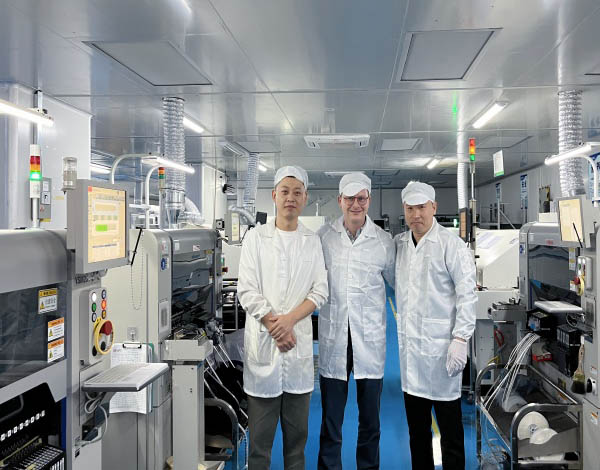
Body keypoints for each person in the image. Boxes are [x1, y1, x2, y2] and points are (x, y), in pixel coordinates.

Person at [237, 165, 328, 470]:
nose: (291, 198)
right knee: (259, 449)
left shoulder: (311, 240)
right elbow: (246, 290)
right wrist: (275, 326)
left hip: (297, 355)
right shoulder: (255, 238)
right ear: (274, 195)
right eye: (285, 192)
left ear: (305, 198)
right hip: (263, 354)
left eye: (297, 192)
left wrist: (289, 322)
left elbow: (320, 290)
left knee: (296, 448)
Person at [394, 181, 477, 470]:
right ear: (404, 210)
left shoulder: (451, 245)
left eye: (421, 207)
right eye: (410, 208)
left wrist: (461, 338)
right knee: (417, 433)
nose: (416, 214)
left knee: (450, 433)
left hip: (443, 353)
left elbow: (467, 294)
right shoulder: (401, 245)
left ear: (434, 208)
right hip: (411, 357)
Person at [317, 172, 395, 470]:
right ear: (340, 200)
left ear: (369, 200)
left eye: (361, 198)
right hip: (334, 338)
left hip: (369, 341)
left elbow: (401, 284)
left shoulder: (383, 242)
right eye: (349, 198)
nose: (355, 204)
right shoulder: (323, 238)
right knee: (331, 421)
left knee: (370, 421)